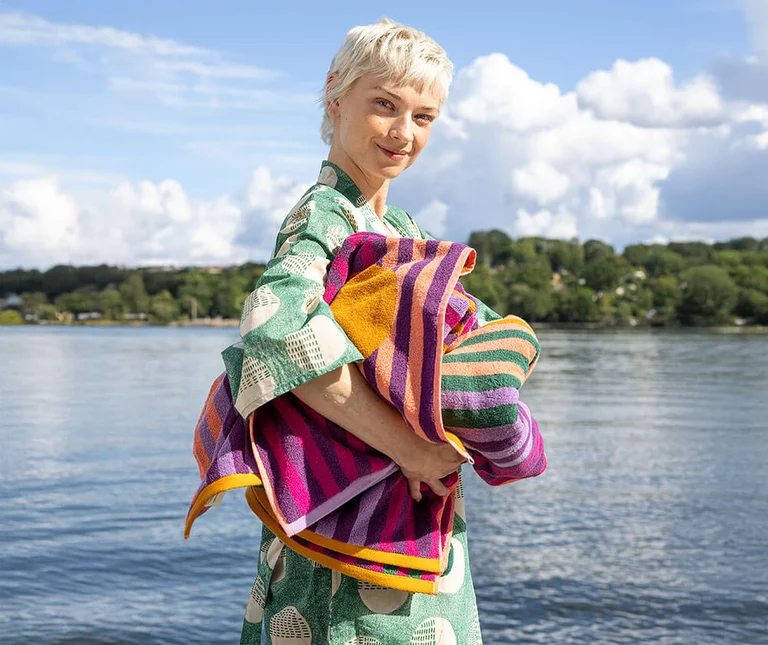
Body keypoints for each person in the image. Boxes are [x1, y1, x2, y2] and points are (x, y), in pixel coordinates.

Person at [228, 17, 499, 645]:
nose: (404, 133)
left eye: (424, 117)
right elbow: (273, 339)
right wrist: (412, 449)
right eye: (385, 105)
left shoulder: (398, 224)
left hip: (391, 526)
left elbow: (462, 334)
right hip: (346, 545)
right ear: (335, 95)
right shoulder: (322, 217)